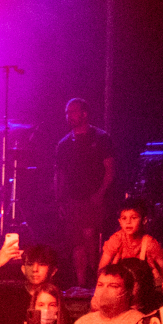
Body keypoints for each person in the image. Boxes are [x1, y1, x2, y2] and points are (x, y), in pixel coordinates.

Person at [56, 97, 118, 283]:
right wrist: (60, 200)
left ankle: (97, 279)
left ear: (84, 114)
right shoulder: (64, 144)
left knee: (90, 236)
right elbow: (59, 174)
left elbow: (110, 169)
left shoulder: (101, 138)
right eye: (67, 112)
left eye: (73, 112)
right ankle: (81, 284)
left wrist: (100, 194)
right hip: (72, 200)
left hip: (94, 199)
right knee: (77, 243)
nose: (69, 116)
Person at [100, 199, 163, 288]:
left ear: (144, 220)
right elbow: (102, 268)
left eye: (134, 218)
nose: (128, 222)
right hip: (120, 285)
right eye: (124, 218)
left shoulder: (150, 243)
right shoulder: (116, 240)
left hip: (145, 287)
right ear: (120, 221)